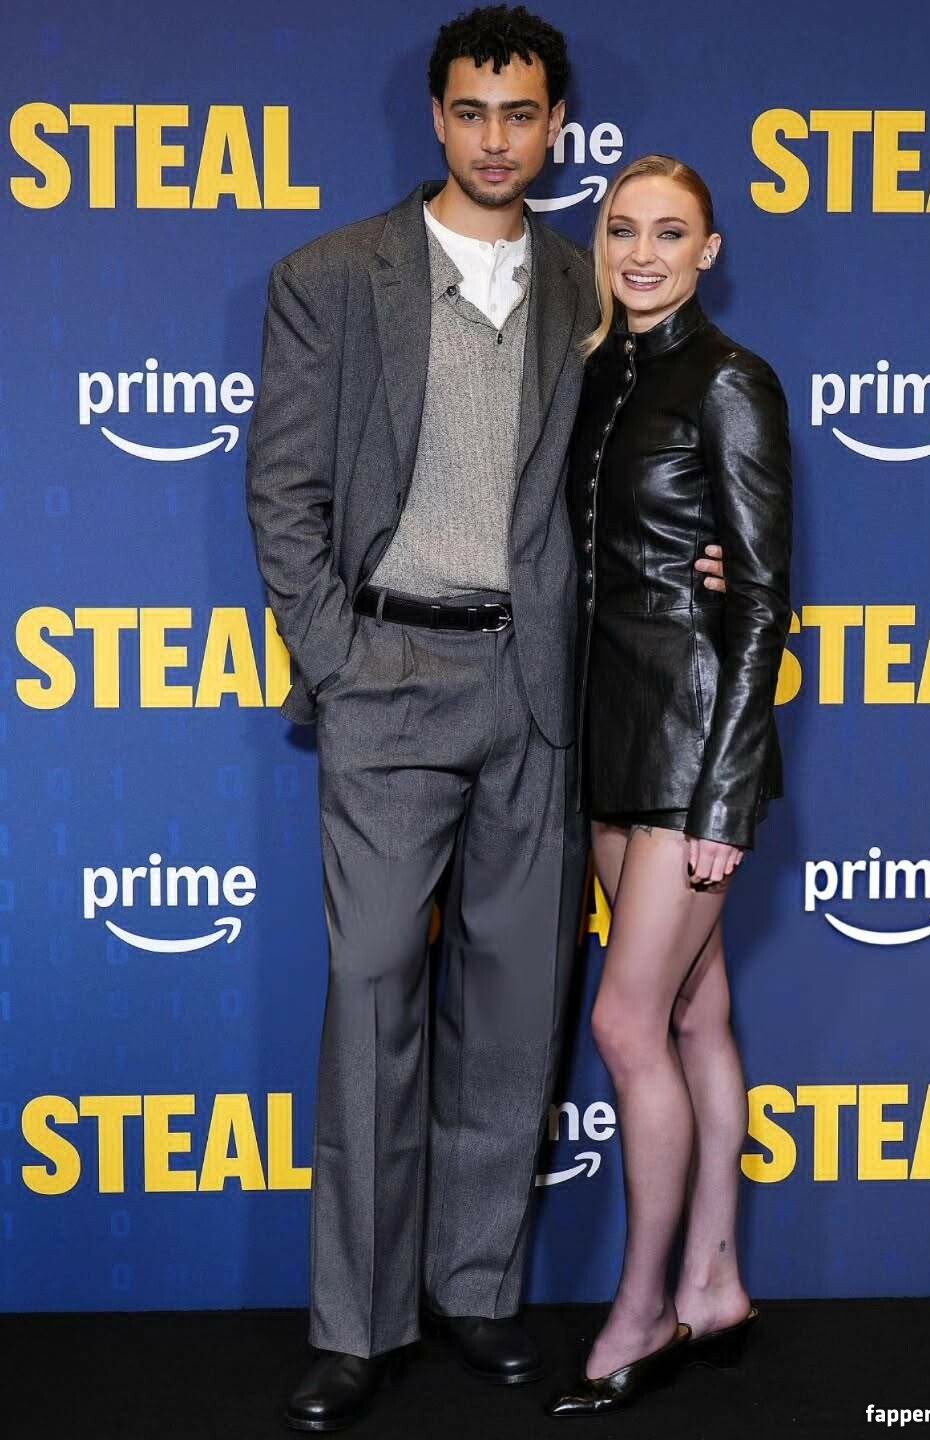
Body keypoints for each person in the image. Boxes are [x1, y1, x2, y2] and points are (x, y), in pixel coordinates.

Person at [245, 11, 727, 1430]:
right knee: (372, 995)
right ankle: (358, 1324)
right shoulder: (331, 278)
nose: (496, 138)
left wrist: (699, 554)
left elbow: (648, 458)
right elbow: (283, 494)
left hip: (544, 691)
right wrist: (340, 660)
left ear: (556, 124)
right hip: (387, 677)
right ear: (438, 118)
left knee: (517, 1011)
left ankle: (473, 1288)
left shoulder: (594, 286)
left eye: (521, 114)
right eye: (472, 111)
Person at [546, 154, 793, 1418]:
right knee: (695, 1016)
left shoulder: (733, 381)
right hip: (609, 737)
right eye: (623, 229)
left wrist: (724, 797)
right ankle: (717, 1280)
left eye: (670, 233)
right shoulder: (598, 373)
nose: (642, 253)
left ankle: (641, 1310)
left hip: (695, 746)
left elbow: (762, 600)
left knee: (627, 1027)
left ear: (709, 251)